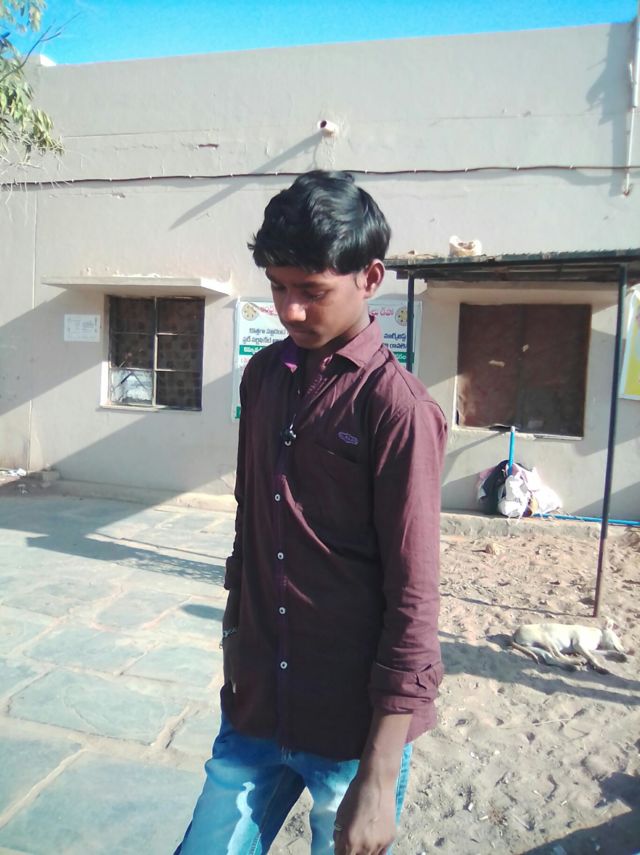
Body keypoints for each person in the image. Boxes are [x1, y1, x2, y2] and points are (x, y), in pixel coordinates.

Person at [176, 170, 447, 855]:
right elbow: (249, 529)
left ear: (370, 277)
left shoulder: (397, 409)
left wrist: (378, 777)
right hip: (256, 711)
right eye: (277, 287)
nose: (290, 311)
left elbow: (413, 597)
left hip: (350, 733)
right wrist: (235, 645)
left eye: (312, 291)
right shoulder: (264, 378)